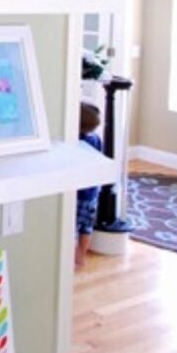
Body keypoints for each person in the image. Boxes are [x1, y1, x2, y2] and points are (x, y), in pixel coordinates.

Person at [76, 101, 103, 268]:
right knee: (86, 228)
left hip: (80, 193)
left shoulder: (78, 141)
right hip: (93, 192)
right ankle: (81, 257)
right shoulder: (96, 139)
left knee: (72, 227)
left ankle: (71, 257)